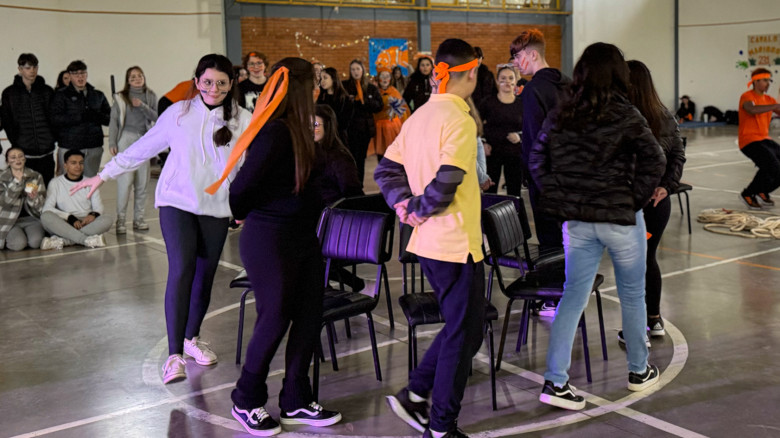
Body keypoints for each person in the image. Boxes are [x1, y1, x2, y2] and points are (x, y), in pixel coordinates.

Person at [71, 54, 252, 384]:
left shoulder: (244, 119)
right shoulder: (178, 114)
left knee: (205, 277)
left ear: (231, 85)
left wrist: (243, 205)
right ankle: (174, 356)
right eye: (207, 82)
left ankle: (191, 339)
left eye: (221, 83)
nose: (213, 89)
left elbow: (247, 166)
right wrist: (103, 175)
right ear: (196, 81)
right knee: (182, 269)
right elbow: (142, 148)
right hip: (176, 203)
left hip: (216, 207)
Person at [529, 42, 666, 411]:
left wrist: (560, 195)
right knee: (632, 295)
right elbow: (656, 159)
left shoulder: (563, 112)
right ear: (618, 73)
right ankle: (638, 370)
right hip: (620, 220)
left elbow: (536, 158)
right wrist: (632, 199)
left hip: (578, 220)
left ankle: (556, 380)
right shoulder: (627, 113)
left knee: (572, 296)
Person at [224, 57, 342, 436]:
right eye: (314, 83)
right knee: (275, 316)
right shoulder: (275, 132)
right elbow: (241, 188)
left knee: (308, 315)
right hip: (270, 238)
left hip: (303, 237)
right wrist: (245, 213)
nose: (318, 89)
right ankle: (246, 398)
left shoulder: (303, 131)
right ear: (299, 90)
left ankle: (295, 399)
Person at [377, 38, 484, 438]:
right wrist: (417, 207)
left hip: (431, 244)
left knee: (467, 328)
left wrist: (403, 203)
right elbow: (446, 182)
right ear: (471, 72)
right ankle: (441, 426)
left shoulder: (419, 116)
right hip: (454, 243)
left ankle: (416, 394)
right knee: (462, 333)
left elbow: (386, 171)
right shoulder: (459, 119)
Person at [623, 60, 686, 341]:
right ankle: (652, 319)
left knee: (637, 262)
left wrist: (665, 187)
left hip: (645, 204)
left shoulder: (644, 117)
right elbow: (677, 156)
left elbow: (676, 155)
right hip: (649, 202)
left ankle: (643, 325)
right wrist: (665, 186)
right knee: (644, 259)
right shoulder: (660, 115)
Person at [511, 28, 568, 253]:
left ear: (532, 54)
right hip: (572, 176)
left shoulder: (533, 89)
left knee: (551, 244)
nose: (515, 62)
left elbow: (533, 140)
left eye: (517, 56)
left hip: (544, 178)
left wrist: (529, 174)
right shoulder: (568, 83)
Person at [108, 66, 158, 234]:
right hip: (126, 139)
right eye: (133, 77)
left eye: (139, 76)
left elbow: (156, 117)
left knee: (142, 183)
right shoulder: (121, 97)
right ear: (128, 81)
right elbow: (114, 121)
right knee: (125, 181)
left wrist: (142, 106)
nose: (137, 79)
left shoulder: (150, 96)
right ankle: (121, 220)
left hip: (144, 140)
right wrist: (112, 142)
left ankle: (139, 218)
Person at [1, 53, 57, 185]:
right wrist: (16, 142)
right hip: (24, 155)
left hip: (46, 152)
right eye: (27, 67)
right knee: (27, 190)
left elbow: (54, 118)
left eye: (35, 67)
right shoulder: (9, 93)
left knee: (46, 188)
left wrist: (52, 138)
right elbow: (7, 121)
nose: (32, 71)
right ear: (20, 69)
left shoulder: (47, 91)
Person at [50, 60, 111, 177]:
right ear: (70, 76)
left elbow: (109, 119)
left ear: (86, 74)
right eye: (76, 74)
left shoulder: (98, 95)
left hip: (93, 146)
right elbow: (55, 119)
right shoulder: (61, 95)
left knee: (90, 181)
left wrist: (96, 116)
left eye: (82, 73)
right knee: (70, 182)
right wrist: (79, 117)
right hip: (70, 146)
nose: (80, 77)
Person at [40, 149, 111, 249]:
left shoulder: (90, 182)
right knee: (45, 216)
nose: (78, 166)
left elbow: (99, 208)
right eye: (73, 163)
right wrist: (69, 217)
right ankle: (85, 240)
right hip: (64, 223)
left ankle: (64, 241)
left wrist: (93, 215)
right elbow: (47, 209)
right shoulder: (55, 183)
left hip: (86, 223)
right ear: (65, 165)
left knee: (108, 219)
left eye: (81, 163)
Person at [737, 68, 780, 209]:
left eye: (769, 80)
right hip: (749, 140)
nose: (768, 83)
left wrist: (775, 106)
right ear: (755, 81)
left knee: (775, 167)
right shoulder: (747, 97)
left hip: (764, 139)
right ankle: (748, 194)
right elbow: (752, 110)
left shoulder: (769, 99)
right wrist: (774, 106)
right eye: (765, 80)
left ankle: (763, 191)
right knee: (771, 165)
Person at [478, 65, 523, 196]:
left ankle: (514, 210)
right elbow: (476, 124)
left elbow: (529, 128)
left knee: (514, 191)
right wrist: (483, 143)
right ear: (497, 81)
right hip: (492, 152)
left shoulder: (521, 104)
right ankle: (489, 210)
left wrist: (520, 136)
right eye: (503, 78)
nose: (507, 81)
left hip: (514, 153)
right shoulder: (488, 102)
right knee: (490, 190)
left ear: (516, 81)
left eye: (510, 78)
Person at [342, 59, 383, 185]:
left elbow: (379, 106)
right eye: (353, 69)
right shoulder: (345, 86)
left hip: (364, 129)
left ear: (362, 70)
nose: (355, 72)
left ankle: (359, 184)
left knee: (360, 158)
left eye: (357, 69)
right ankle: (350, 183)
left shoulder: (370, 88)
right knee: (350, 158)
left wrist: (365, 101)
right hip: (349, 128)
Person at [0, 147, 46, 251]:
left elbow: (41, 206)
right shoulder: (2, 177)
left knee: (36, 242)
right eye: (13, 157)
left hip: (32, 218)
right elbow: (4, 202)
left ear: (25, 159)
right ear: (7, 161)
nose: (18, 159)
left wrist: (33, 198)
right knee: (18, 244)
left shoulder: (35, 176)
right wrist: (17, 182)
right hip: (9, 221)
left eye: (20, 156)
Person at [370, 66, 410, 162]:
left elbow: (403, 110)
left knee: (394, 154)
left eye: (387, 76)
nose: (385, 79)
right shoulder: (374, 92)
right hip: (379, 126)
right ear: (378, 78)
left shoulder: (394, 91)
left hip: (393, 127)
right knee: (381, 155)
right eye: (382, 76)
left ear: (390, 78)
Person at [317, 66, 353, 148]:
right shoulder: (321, 98)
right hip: (323, 137)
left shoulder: (344, 99)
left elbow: (345, 122)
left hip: (339, 137)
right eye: (321, 79)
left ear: (333, 79)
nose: (322, 81)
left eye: (325, 78)